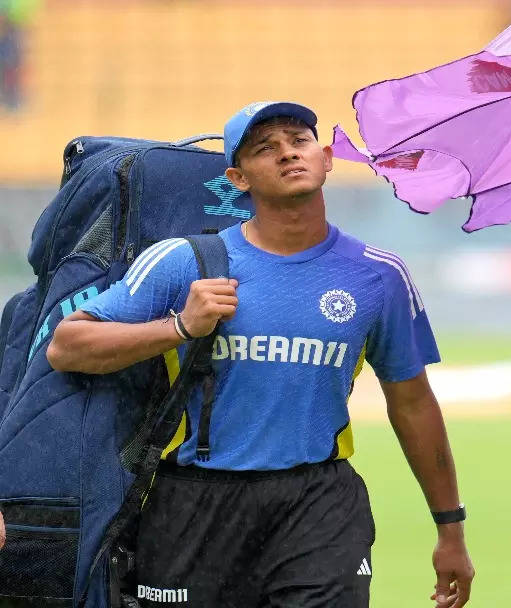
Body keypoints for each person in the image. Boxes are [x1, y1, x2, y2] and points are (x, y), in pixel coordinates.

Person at [47, 102, 474, 608]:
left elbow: (413, 403)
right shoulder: (183, 261)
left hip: (318, 503)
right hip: (194, 502)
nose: (288, 153)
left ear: (328, 157)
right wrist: (180, 326)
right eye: (265, 149)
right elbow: (66, 346)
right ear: (238, 177)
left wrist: (450, 528)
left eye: (299, 140)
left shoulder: (378, 275)